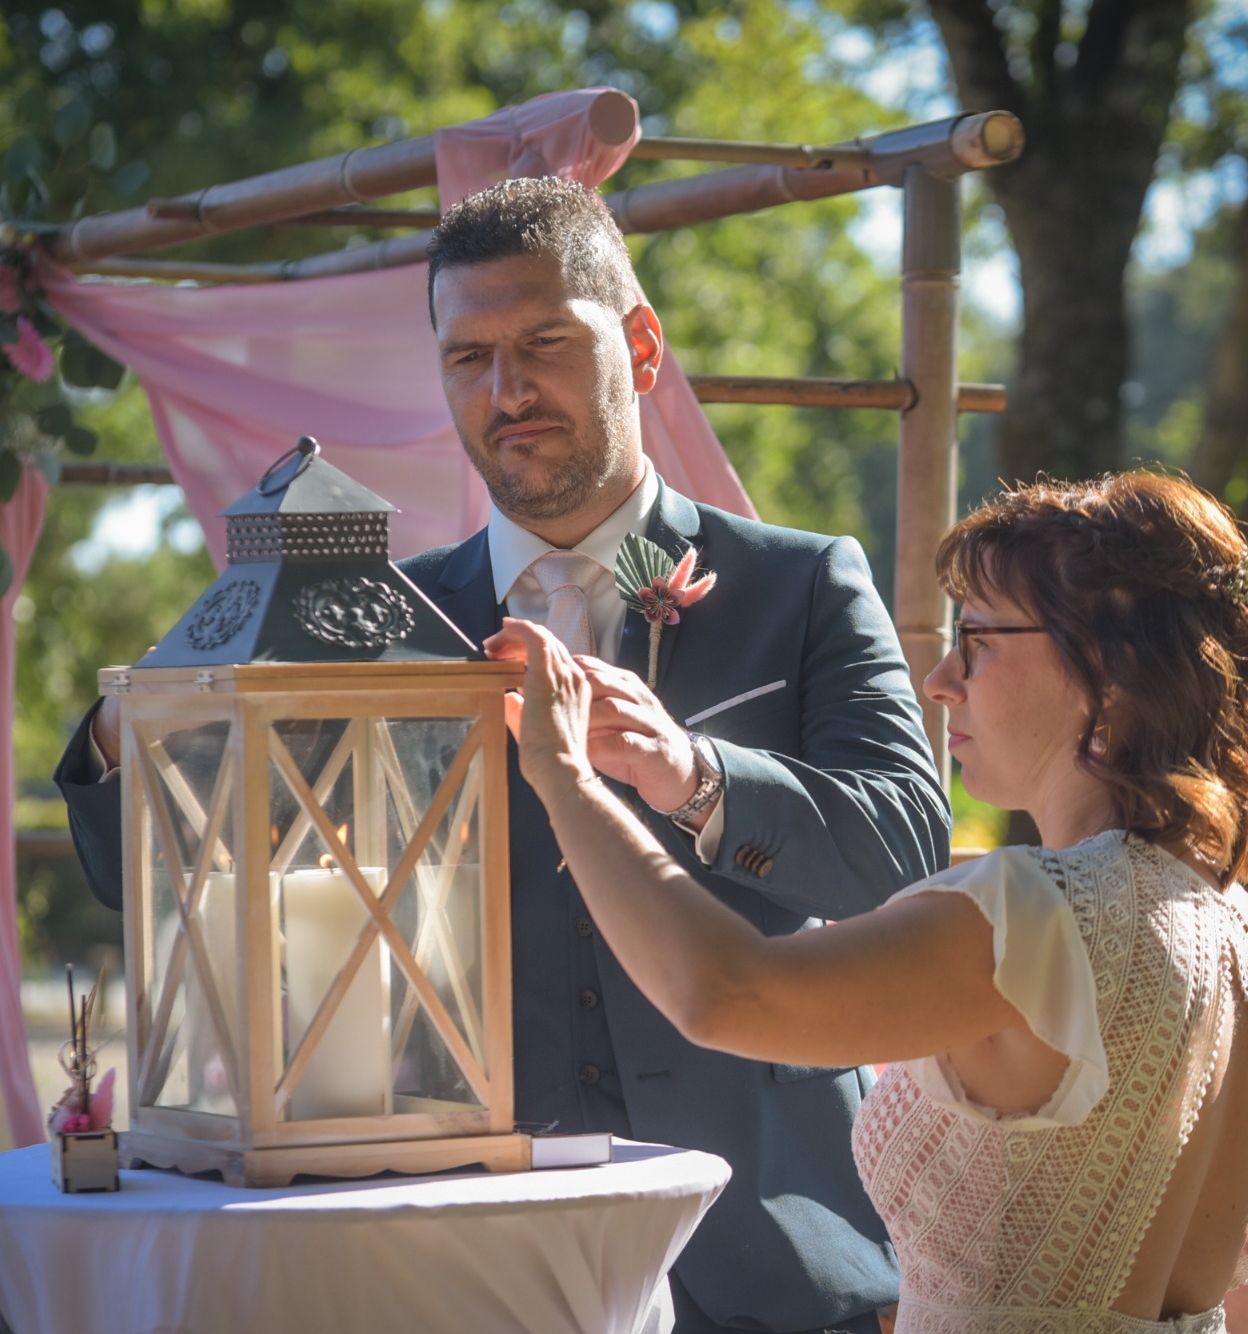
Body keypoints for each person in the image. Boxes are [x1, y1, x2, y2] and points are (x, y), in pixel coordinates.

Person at [54, 175, 950, 1334]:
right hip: (472, 1250)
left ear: (640, 346)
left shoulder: (803, 581)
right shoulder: (373, 623)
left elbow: (904, 847)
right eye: (467, 357)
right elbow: (158, 872)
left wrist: (696, 775)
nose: (506, 390)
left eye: (542, 343)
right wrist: (131, 731)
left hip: (774, 1249)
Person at [490, 472, 1248, 1334]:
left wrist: (563, 775)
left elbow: (725, 992)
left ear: (1109, 672)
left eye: (979, 641)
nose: (941, 680)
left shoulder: (1028, 915)